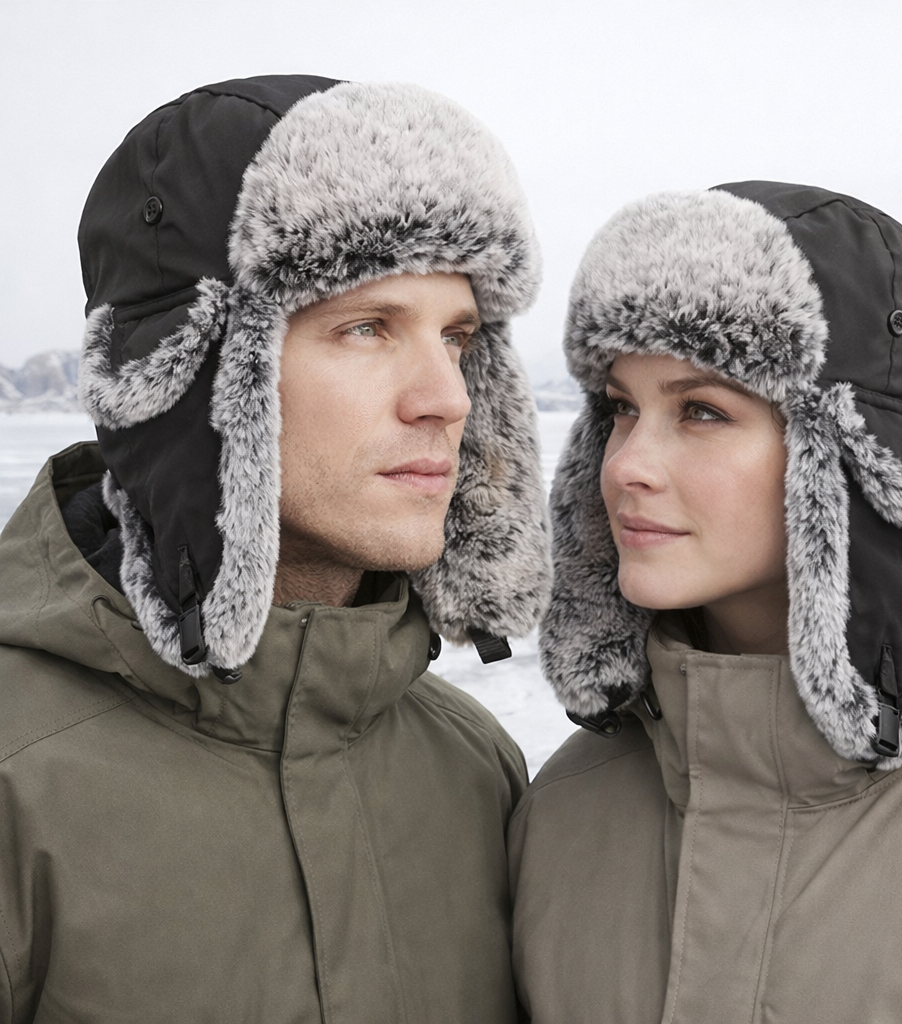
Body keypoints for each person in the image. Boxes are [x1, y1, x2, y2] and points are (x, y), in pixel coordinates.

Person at [0, 76, 551, 1023]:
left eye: (458, 339)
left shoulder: (475, 769)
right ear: (197, 371)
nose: (447, 399)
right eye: (368, 328)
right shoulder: (20, 775)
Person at [508, 183, 902, 1022]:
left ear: (856, 458)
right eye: (621, 409)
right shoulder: (562, 809)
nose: (626, 465)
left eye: (701, 411)